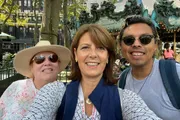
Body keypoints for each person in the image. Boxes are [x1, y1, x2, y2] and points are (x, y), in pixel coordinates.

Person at [22, 24, 161, 120]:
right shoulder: (54, 92)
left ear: (108, 57)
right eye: (85, 48)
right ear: (76, 54)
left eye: (100, 48)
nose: (93, 54)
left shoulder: (125, 99)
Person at [118, 15, 180, 120]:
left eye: (145, 39)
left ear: (156, 44)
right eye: (129, 40)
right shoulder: (122, 80)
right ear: (121, 46)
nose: (136, 44)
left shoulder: (175, 74)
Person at [0, 40, 71, 119]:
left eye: (53, 58)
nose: (47, 63)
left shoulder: (68, 94)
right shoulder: (16, 87)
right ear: (31, 66)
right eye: (39, 59)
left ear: (58, 64)